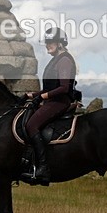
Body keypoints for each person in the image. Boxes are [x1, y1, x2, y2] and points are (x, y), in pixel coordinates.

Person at [20, 27, 77, 186]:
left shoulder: (65, 60)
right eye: (46, 43)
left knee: (31, 125)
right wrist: (32, 94)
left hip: (60, 102)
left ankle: (43, 168)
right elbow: (51, 87)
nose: (47, 45)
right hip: (53, 100)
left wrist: (43, 96)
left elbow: (64, 88)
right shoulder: (55, 60)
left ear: (60, 43)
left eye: (50, 42)